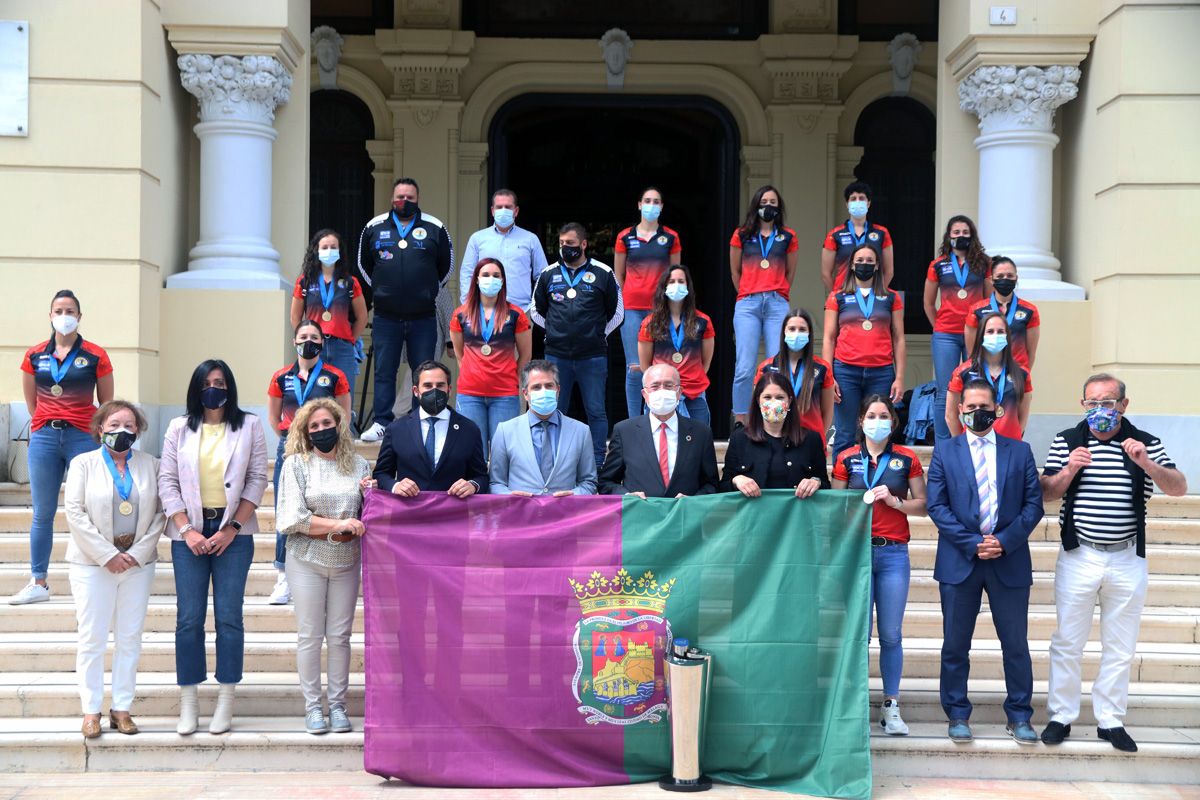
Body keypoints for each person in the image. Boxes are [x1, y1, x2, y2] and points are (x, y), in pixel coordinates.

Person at [1039, 374, 1187, 752]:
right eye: (1092, 402)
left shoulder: (1145, 443)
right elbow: (1046, 494)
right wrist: (1070, 469)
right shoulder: (1067, 440)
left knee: (1120, 645)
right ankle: (1061, 716)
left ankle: (1110, 720)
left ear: (1123, 404)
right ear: (1083, 405)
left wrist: (1146, 463)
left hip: (1126, 557)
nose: (1099, 409)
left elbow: (1178, 487)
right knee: (1068, 642)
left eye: (1107, 402)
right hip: (1079, 555)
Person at [926, 379, 1043, 746]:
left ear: (998, 411)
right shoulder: (946, 452)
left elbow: (1033, 506)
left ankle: (1020, 716)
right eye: (970, 407)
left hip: (1008, 560)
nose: (977, 412)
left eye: (984, 407)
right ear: (960, 412)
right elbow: (937, 506)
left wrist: (1003, 542)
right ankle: (957, 714)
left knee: (1016, 645)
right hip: (961, 561)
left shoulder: (1020, 452)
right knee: (955, 645)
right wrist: (974, 543)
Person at [159, 360, 268, 736]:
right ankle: (189, 702)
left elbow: (257, 479)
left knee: (228, 617)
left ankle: (226, 699)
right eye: (207, 383)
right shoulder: (178, 427)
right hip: (187, 532)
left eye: (220, 382)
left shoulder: (250, 425)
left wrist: (233, 527)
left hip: (233, 533)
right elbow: (167, 482)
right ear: (196, 388)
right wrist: (186, 529)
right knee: (188, 619)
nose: (214, 388)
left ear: (229, 387)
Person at [64, 400, 164, 738]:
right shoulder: (83, 464)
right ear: (100, 429)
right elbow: (75, 512)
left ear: (138, 430)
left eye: (130, 425)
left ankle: (121, 708)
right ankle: (90, 710)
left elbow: (161, 513)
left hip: (137, 564)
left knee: (129, 637)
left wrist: (137, 553)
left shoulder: (151, 465)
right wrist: (107, 554)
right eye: (115, 424)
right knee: (92, 638)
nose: (122, 431)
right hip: (92, 564)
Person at [275, 398, 374, 736]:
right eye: (314, 426)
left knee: (340, 637)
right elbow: (293, 519)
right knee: (310, 636)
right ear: (305, 431)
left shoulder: (359, 466)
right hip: (306, 560)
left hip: (347, 561)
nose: (321, 430)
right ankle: (314, 708)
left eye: (326, 424)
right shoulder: (296, 465)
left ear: (339, 425)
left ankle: (338, 706)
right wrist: (338, 525)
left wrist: (370, 497)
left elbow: (365, 517)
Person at [831, 395, 927, 737]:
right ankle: (853, 703)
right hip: (857, 554)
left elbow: (923, 505)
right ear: (860, 421)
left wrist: (895, 501)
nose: (877, 420)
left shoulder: (907, 458)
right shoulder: (845, 458)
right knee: (858, 634)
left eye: (883, 415)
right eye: (871, 415)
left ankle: (891, 705)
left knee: (891, 634)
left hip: (893, 554)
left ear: (893, 422)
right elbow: (834, 508)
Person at [10, 290, 113, 606]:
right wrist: (46, 420)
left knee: (91, 508)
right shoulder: (34, 355)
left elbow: (107, 404)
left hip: (83, 437)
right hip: (44, 438)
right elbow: (32, 402)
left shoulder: (95, 355)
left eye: (70, 310)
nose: (64, 314)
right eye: (59, 309)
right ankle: (38, 581)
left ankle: (99, 576)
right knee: (42, 513)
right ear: (51, 315)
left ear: (79, 317)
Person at [356, 177, 453, 442]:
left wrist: (426, 290)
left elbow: (446, 266)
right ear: (392, 199)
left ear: (417, 199)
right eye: (400, 197)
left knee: (422, 370)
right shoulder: (374, 227)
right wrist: (381, 288)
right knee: (384, 369)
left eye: (409, 197)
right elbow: (364, 266)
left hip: (423, 316)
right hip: (387, 315)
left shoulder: (434, 227)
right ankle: (382, 422)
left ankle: (416, 420)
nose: (404, 201)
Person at [266, 321, 351, 605]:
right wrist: (290, 440)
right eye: (303, 337)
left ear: (322, 342)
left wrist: (331, 441)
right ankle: (282, 577)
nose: (309, 341)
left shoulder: (334, 375)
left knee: (318, 506)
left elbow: (344, 414)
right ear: (295, 342)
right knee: (287, 509)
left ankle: (323, 568)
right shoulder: (281, 377)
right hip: (290, 448)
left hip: (325, 447)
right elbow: (273, 415)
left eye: (314, 337)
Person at [529, 223, 623, 467]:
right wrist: (553, 332)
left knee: (595, 410)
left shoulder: (603, 272)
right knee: (555, 410)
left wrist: (597, 335)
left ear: (583, 244)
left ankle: (598, 461)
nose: (565, 248)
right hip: (557, 356)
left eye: (570, 244)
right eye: (561, 244)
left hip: (592, 355)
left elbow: (617, 313)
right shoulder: (548, 274)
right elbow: (536, 311)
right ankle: (555, 461)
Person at [823, 244, 906, 456]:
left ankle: (877, 481)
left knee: (879, 431)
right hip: (845, 371)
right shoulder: (837, 296)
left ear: (877, 266)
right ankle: (841, 486)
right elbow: (829, 338)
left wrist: (900, 377)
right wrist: (829, 376)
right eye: (859, 261)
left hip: (881, 372)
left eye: (870, 261)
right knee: (845, 432)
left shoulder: (891, 297)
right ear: (851, 265)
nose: (864, 265)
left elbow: (898, 338)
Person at [449, 257, 532, 459]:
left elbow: (526, 354)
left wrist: (510, 374)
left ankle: (500, 490)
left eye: (496, 275)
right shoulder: (461, 314)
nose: (490, 279)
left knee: (503, 453)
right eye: (485, 275)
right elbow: (459, 354)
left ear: (503, 281)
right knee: (473, 452)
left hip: (505, 394)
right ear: (476, 279)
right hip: (470, 394)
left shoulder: (515, 314)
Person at [729, 185, 798, 426]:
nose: (768, 206)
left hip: (777, 303)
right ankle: (740, 420)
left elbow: (790, 272)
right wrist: (749, 292)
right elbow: (735, 272)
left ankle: (774, 418)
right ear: (756, 204)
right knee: (745, 367)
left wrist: (777, 292)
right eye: (764, 201)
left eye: (773, 202)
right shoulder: (742, 235)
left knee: (776, 363)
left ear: (778, 207)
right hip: (748, 303)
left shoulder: (787, 236)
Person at [599, 364, 719, 497]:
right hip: (640, 514)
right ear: (645, 394)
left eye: (668, 385)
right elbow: (606, 482)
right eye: (655, 386)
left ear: (679, 392)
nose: (662, 391)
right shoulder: (624, 432)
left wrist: (692, 501)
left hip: (684, 515)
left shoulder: (701, 433)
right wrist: (627, 496)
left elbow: (711, 484)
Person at [371, 360, 488, 497]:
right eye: (427, 385)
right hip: (409, 511)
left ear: (449, 390)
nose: (434, 390)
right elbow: (381, 474)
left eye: (440, 385)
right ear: (416, 391)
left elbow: (481, 477)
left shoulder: (469, 429)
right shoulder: (396, 429)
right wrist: (396, 486)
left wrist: (472, 485)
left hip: (454, 512)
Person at [614, 187, 682, 418]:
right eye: (647, 201)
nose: (652, 205)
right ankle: (636, 422)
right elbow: (619, 275)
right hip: (632, 309)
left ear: (661, 207)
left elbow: (675, 275)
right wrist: (627, 299)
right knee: (634, 368)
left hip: (661, 310)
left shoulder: (671, 237)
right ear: (639, 205)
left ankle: (659, 417)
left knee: (661, 366)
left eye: (656, 201)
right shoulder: (625, 236)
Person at [924, 215, 990, 442]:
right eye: (956, 233)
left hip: (976, 334)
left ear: (971, 235)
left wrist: (983, 331)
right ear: (948, 236)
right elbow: (928, 303)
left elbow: (990, 302)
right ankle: (946, 444)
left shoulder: (983, 264)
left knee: (976, 388)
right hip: (946, 335)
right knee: (945, 391)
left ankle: (976, 437)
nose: (960, 236)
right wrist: (940, 327)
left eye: (965, 232)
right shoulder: (938, 265)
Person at [489, 360, 597, 496]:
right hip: (521, 514)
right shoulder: (505, 431)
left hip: (565, 515)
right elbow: (495, 483)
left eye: (549, 386)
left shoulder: (581, 431)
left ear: (558, 390)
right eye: (536, 387)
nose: (543, 391)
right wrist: (510, 497)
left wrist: (574, 495)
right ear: (525, 394)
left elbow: (589, 483)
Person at [718, 371, 828, 499]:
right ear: (758, 401)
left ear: (789, 401)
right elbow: (723, 487)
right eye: (767, 397)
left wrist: (816, 482)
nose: (774, 403)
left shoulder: (811, 439)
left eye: (780, 397)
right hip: (755, 516)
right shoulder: (740, 438)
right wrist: (736, 480)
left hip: (797, 516)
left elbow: (825, 484)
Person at [289, 228, 367, 403]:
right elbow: (295, 317)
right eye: (324, 247)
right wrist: (305, 340)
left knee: (343, 399)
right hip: (313, 346)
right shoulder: (305, 281)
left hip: (342, 349)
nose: (329, 251)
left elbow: (362, 317)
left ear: (340, 251)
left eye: (333, 247)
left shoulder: (350, 282)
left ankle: (344, 431)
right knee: (313, 398)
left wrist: (350, 339)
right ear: (316, 250)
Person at [637, 265, 715, 426]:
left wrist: (690, 377)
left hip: (694, 392)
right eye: (672, 281)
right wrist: (665, 383)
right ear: (664, 287)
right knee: (658, 442)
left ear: (688, 286)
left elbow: (705, 362)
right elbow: (646, 366)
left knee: (696, 443)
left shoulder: (703, 321)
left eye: (681, 281)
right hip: (661, 393)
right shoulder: (650, 323)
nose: (676, 285)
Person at [755, 308, 835, 450]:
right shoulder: (766, 368)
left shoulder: (822, 368)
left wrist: (818, 435)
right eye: (792, 329)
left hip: (811, 441)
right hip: (775, 440)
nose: (796, 333)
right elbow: (758, 406)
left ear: (809, 333)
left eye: (802, 329)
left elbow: (828, 412)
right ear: (784, 332)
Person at [457, 189, 548, 313]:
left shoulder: (530, 239)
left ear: (516, 211)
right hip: (485, 311)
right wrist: (468, 304)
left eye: (508, 207)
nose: (503, 210)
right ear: (492, 211)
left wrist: (536, 306)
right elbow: (468, 273)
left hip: (522, 310)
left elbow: (542, 275)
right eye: (499, 207)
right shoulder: (477, 239)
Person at [946, 311, 1032, 440]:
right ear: (981, 336)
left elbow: (1023, 416)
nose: (995, 335)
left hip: (1010, 448)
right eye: (990, 331)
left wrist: (1015, 441)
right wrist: (962, 445)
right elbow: (950, 415)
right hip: (974, 448)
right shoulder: (963, 372)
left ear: (1007, 336)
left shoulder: (1022, 373)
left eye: (1000, 331)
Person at [964, 256, 1040, 370]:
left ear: (1016, 278)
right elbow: (971, 352)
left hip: (1016, 372)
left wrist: (1023, 375)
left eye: (1010, 276)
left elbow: (1031, 352)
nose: (1005, 279)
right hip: (986, 373)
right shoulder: (976, 310)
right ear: (991, 280)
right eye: (1000, 276)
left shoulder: (1029, 310)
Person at [821, 181, 894, 292]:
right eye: (853, 199)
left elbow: (889, 271)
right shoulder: (834, 234)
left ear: (868, 203)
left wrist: (879, 292)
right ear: (847, 204)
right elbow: (826, 273)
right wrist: (837, 295)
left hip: (873, 295)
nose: (857, 201)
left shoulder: (882, 233)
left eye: (861, 198)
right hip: (844, 295)